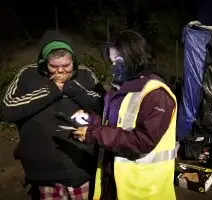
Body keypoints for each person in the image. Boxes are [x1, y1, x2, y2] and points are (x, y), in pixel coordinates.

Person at [71, 30, 178, 200]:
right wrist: (91, 119)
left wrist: (93, 134)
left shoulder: (155, 94)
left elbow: (143, 141)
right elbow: (114, 126)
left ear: (134, 58)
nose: (113, 66)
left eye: (118, 61)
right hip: (112, 179)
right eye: (112, 61)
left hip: (143, 189)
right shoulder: (119, 88)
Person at [1, 30, 103, 200]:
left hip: (82, 169)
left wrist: (72, 88)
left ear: (73, 61)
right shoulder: (27, 74)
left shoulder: (85, 75)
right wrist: (52, 90)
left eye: (66, 65)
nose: (61, 71)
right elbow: (6, 109)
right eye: (54, 67)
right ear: (44, 62)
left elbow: (102, 103)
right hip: (43, 173)